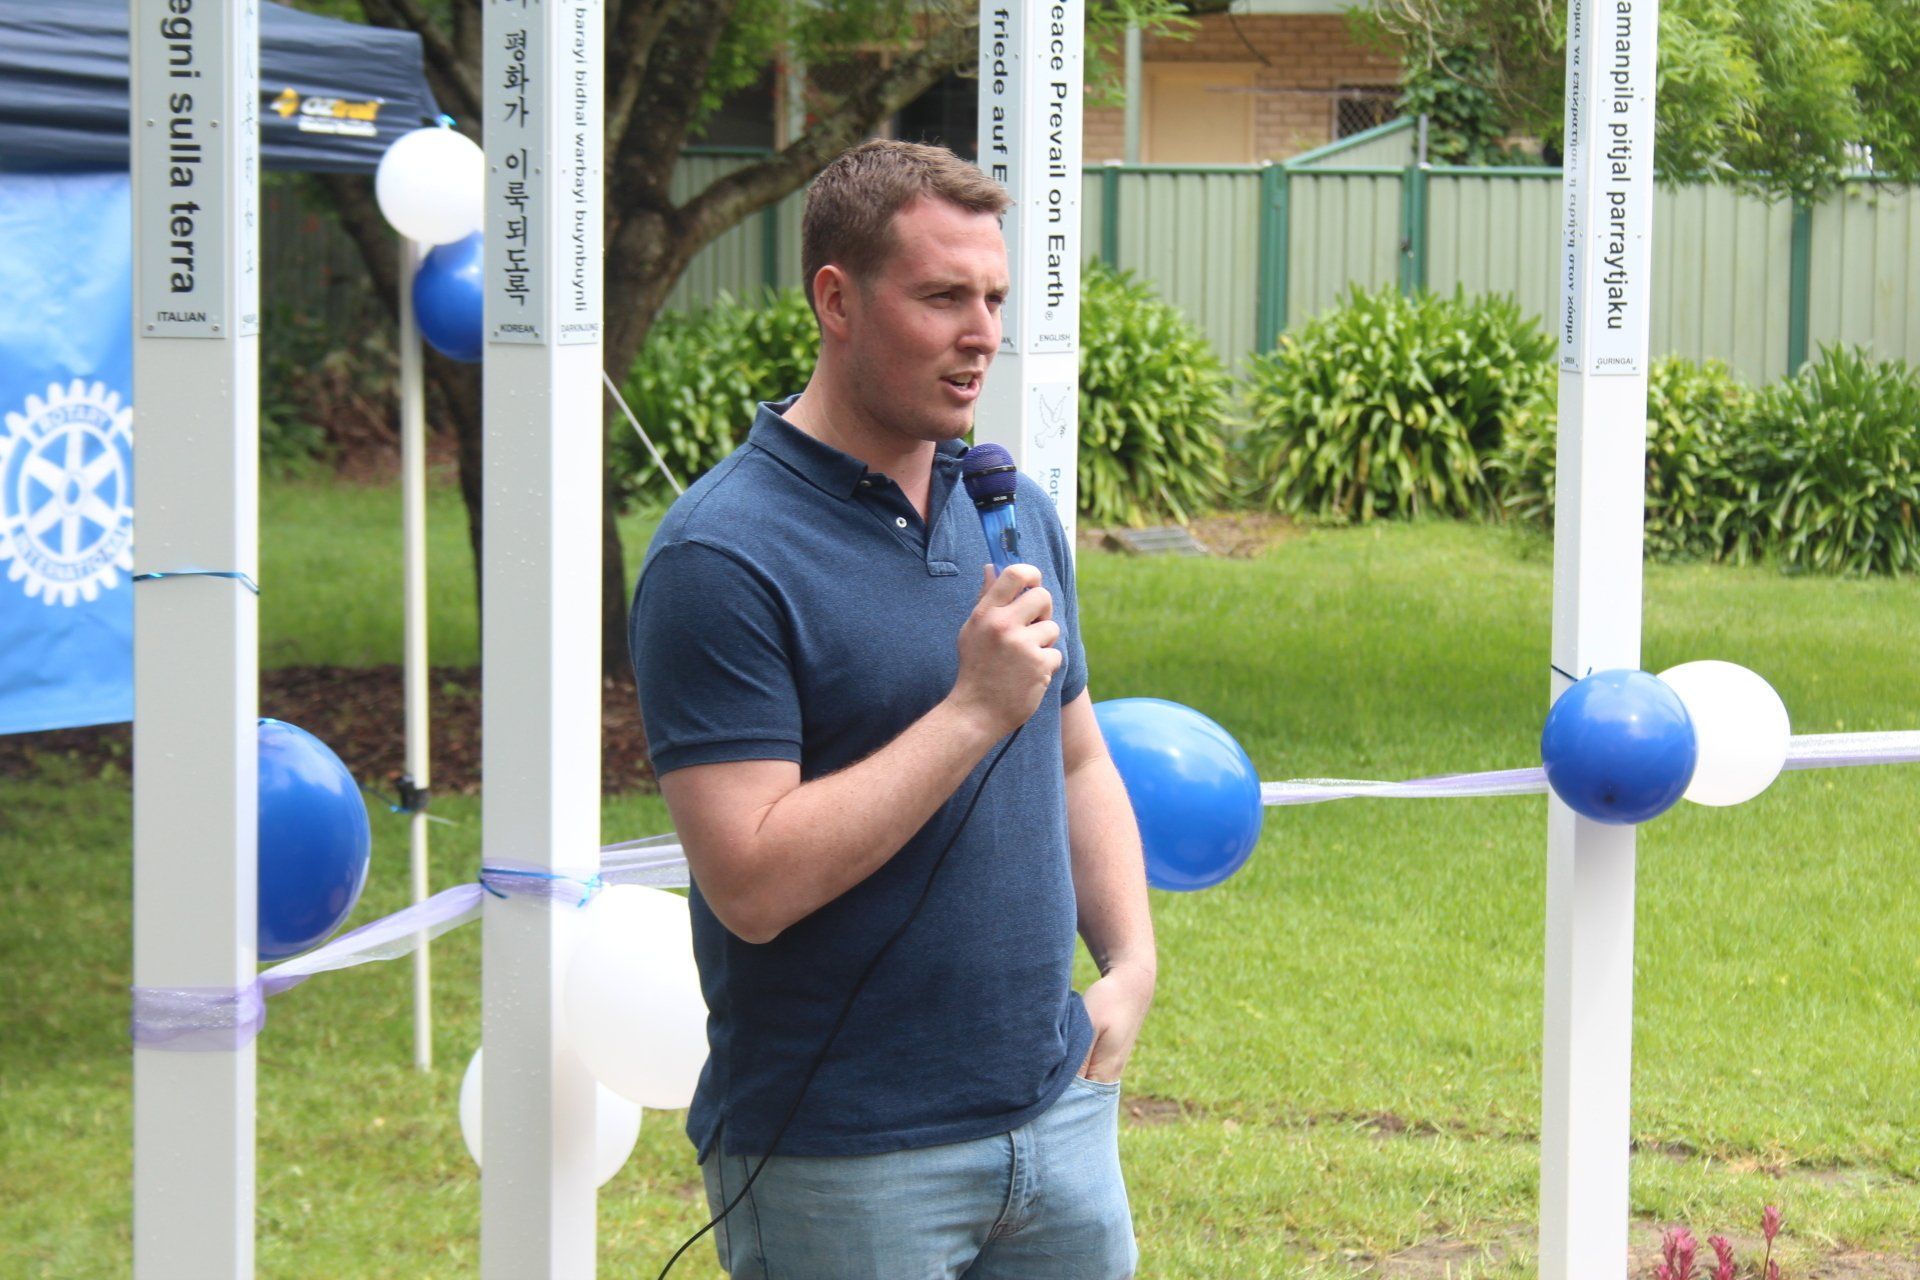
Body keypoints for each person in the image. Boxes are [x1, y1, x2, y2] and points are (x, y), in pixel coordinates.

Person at [629, 139, 1156, 1280]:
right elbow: (753, 881)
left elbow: (1076, 757)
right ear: (836, 299)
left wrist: (1132, 956)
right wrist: (970, 708)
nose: (982, 333)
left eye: (995, 298)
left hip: (1056, 1119)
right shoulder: (720, 556)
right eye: (942, 297)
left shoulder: (1005, 509)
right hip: (845, 1160)